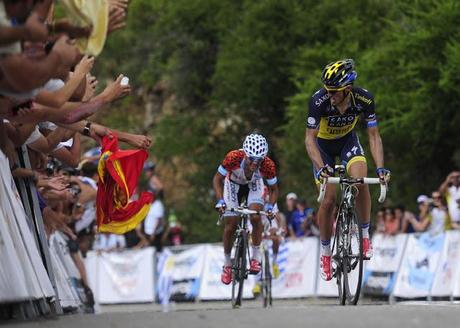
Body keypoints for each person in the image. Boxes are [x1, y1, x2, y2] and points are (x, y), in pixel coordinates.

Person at [304, 59, 390, 281]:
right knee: (329, 200)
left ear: (348, 89)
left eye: (334, 91)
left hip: (347, 143)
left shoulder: (364, 99)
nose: (330, 94)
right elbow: (309, 140)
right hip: (322, 147)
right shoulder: (318, 100)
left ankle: (363, 235)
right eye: (328, 90)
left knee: (360, 182)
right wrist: (321, 168)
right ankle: (325, 253)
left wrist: (380, 168)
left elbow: (373, 136)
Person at [213, 133, 279, 285]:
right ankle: (227, 264)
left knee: (255, 217)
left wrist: (270, 206)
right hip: (233, 185)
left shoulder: (267, 165)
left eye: (259, 160)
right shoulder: (233, 157)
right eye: (252, 159)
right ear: (245, 155)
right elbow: (217, 179)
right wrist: (220, 200)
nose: (255, 164)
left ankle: (255, 257)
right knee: (231, 224)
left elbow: (274, 189)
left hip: (253, 186)